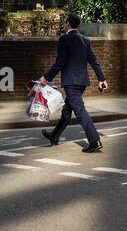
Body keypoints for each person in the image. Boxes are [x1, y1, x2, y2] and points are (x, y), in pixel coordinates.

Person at [39, 12, 108, 153]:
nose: (64, 24)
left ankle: (94, 140)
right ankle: (54, 136)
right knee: (67, 110)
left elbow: (60, 62)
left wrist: (46, 78)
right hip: (82, 81)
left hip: (71, 82)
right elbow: (94, 61)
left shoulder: (64, 40)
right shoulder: (85, 40)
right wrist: (101, 79)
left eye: (65, 22)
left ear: (68, 23)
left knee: (80, 110)